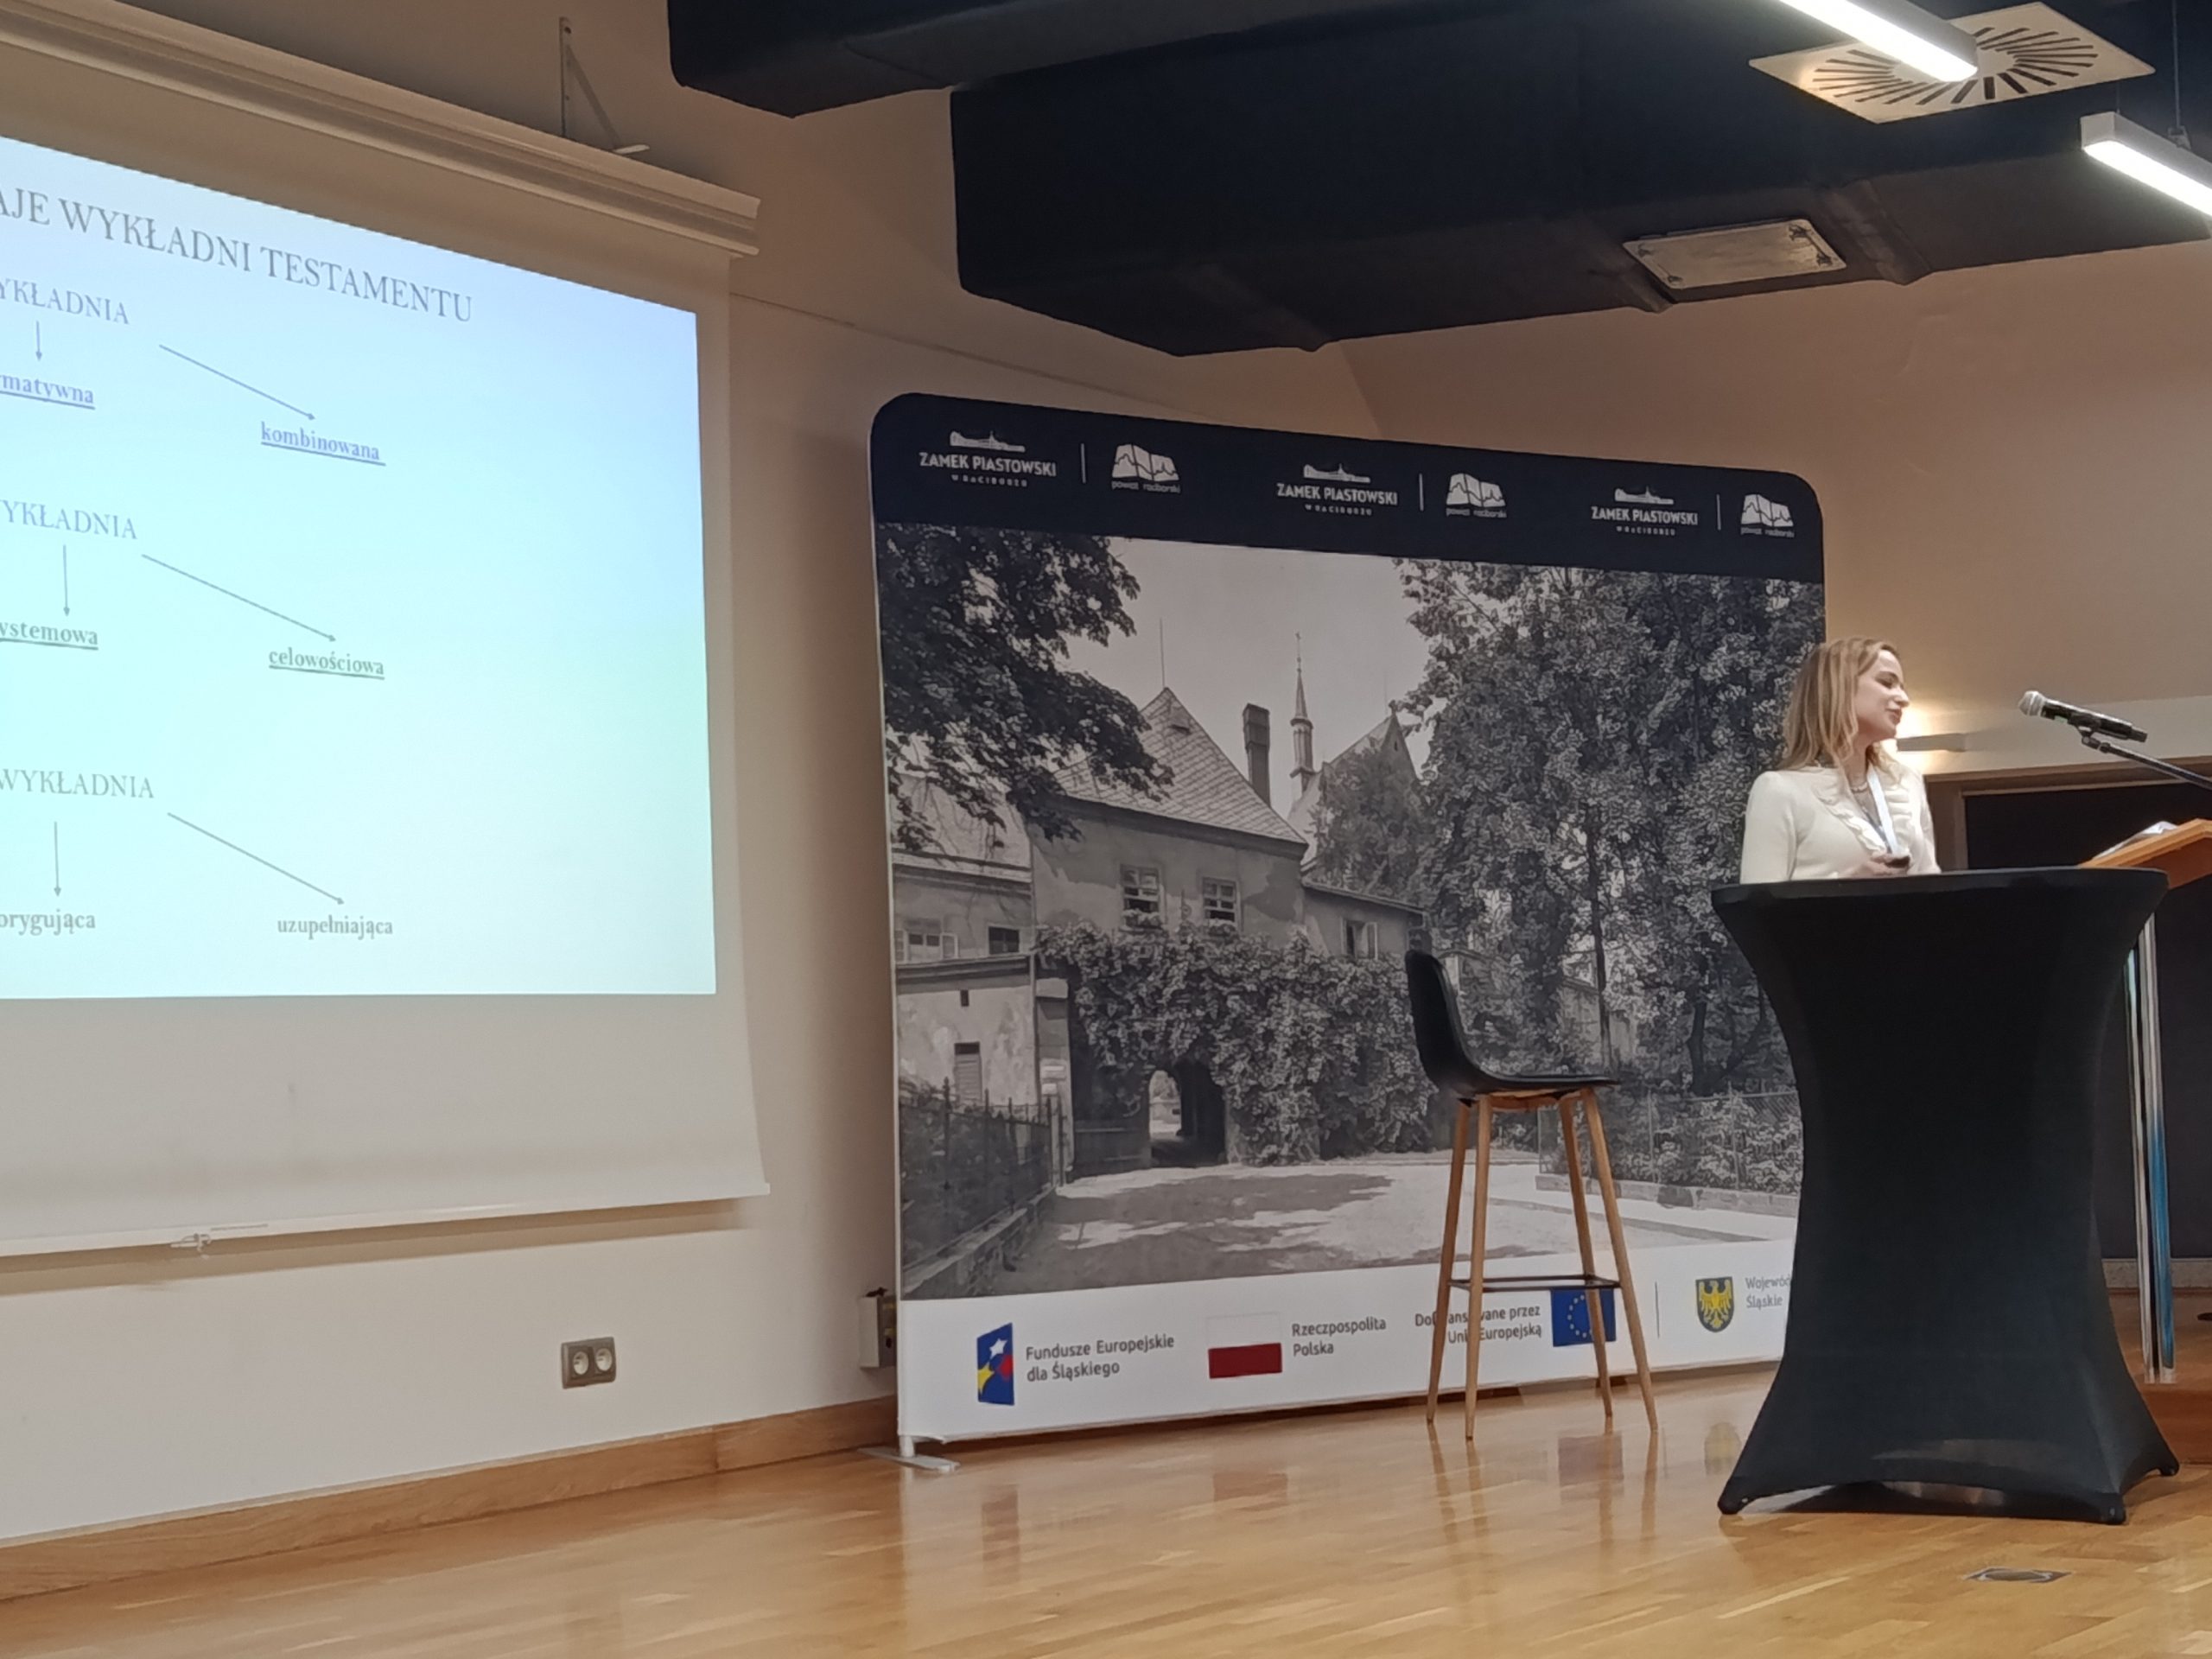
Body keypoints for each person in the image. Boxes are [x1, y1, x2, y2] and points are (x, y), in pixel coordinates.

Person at [1739, 637, 1939, 882]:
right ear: (1838, 687)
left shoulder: (1908, 782)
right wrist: (1845, 885)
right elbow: (1758, 902)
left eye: (1902, 687)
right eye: (1887, 683)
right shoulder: (1779, 790)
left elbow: (1932, 883)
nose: (1903, 698)